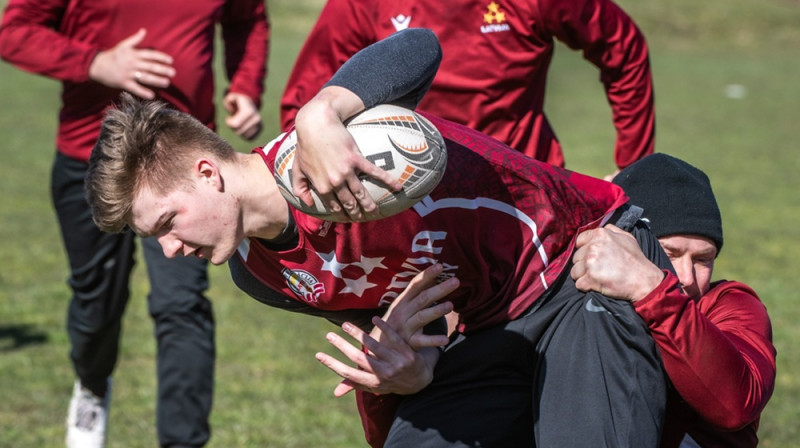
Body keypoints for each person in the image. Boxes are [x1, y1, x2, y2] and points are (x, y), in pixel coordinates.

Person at [86, 29, 669, 448]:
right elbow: (401, 326)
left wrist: (322, 112)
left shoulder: (332, 148)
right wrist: (410, 371)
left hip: (581, 265)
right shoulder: (261, 275)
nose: (167, 250)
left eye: (166, 223)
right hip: (488, 329)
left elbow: (418, 46)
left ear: (206, 173)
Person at [0, 1, 269, 446]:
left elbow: (247, 17)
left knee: (181, 304)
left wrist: (244, 84)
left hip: (182, 170)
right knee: (96, 304)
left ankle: (183, 442)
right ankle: (91, 384)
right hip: (91, 160)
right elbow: (13, 31)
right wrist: (94, 61)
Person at [280, 0, 655, 185]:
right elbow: (308, 96)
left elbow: (623, 49)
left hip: (525, 195)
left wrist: (635, 165)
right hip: (407, 197)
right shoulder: (366, 3)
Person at [570, 153, 776, 448]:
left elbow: (736, 404)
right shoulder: (584, 294)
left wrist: (652, 289)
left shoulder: (731, 305)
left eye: (704, 259)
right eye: (669, 253)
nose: (687, 277)